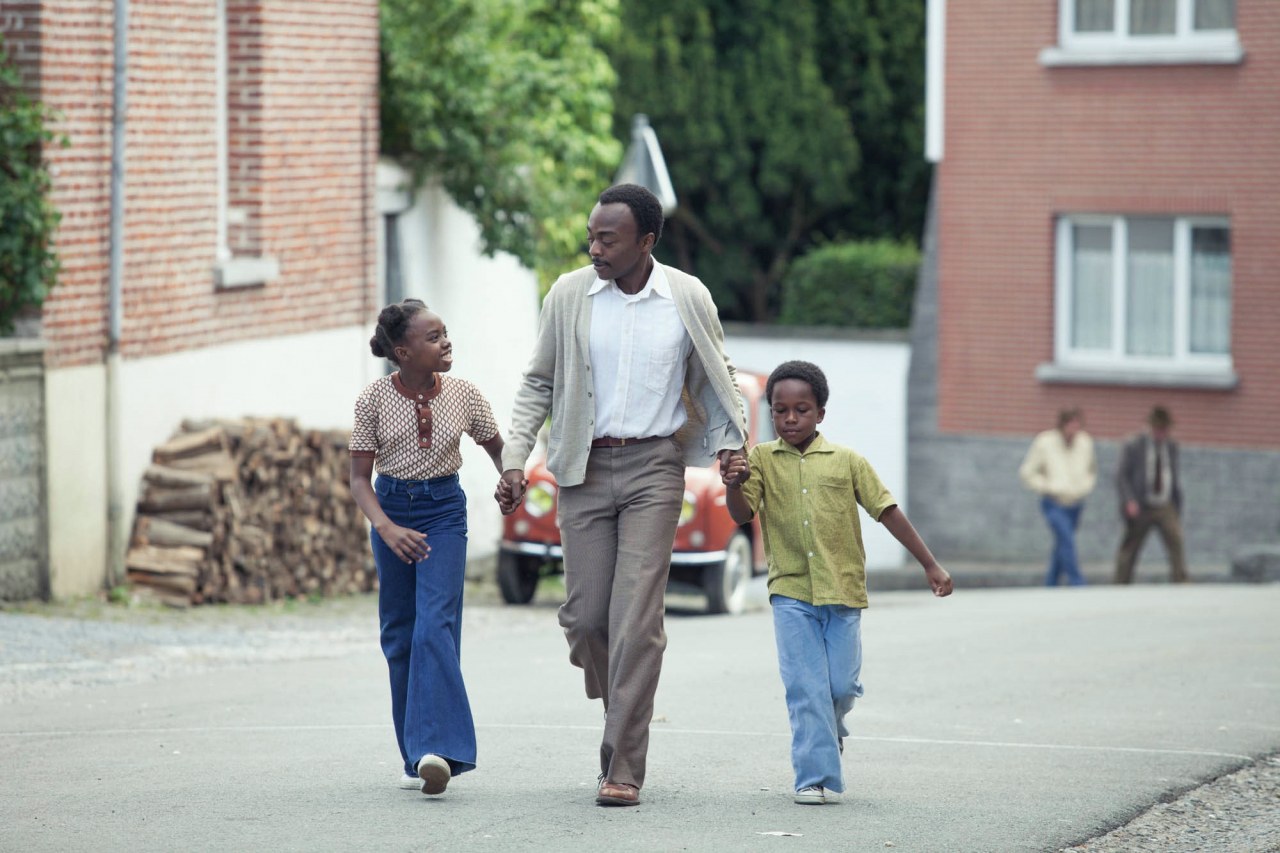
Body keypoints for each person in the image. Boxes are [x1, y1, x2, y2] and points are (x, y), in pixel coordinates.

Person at [495, 183, 749, 807]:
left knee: (636, 619)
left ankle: (624, 765)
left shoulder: (686, 296)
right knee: (585, 621)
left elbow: (718, 378)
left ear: (647, 241)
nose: (594, 248)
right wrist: (514, 459)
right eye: (591, 236)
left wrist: (731, 444)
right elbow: (537, 382)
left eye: (607, 238)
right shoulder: (568, 295)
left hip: (655, 469)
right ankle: (624, 709)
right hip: (581, 466)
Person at [720, 360, 952, 806]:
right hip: (790, 592)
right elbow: (741, 513)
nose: (790, 419)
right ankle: (814, 775)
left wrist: (930, 565)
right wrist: (735, 482)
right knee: (805, 687)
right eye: (780, 410)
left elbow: (887, 510)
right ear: (770, 411)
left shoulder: (847, 462)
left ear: (821, 414)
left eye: (801, 410)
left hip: (842, 591)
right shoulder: (759, 461)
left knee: (840, 687)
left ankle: (830, 726)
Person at [349, 299, 508, 796]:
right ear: (403, 351)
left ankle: (440, 751)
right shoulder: (372, 399)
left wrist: (511, 480)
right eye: (434, 336)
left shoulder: (464, 393)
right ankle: (415, 754)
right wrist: (387, 529)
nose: (446, 342)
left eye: (445, 333)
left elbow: (497, 447)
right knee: (400, 635)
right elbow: (358, 479)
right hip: (391, 510)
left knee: (434, 626)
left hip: (443, 513)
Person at [1018, 408, 1097, 586]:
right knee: (1066, 539)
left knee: (1062, 542)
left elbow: (1091, 470)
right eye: (1071, 425)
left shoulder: (1085, 443)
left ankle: (1051, 582)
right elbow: (1027, 472)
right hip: (1054, 502)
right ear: (1062, 425)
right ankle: (1077, 583)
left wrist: (1085, 487)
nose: (1074, 430)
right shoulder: (1045, 442)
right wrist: (1047, 487)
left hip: (1075, 502)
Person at [1114, 405, 1188, 584]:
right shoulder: (1134, 445)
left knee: (1176, 539)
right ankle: (1120, 582)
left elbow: (1173, 474)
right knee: (1130, 545)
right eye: (1158, 429)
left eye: (1164, 429)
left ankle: (1181, 581)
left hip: (1164, 502)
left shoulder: (1171, 446)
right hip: (1141, 503)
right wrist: (1129, 500)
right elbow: (1121, 475)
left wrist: (1177, 502)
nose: (1161, 433)